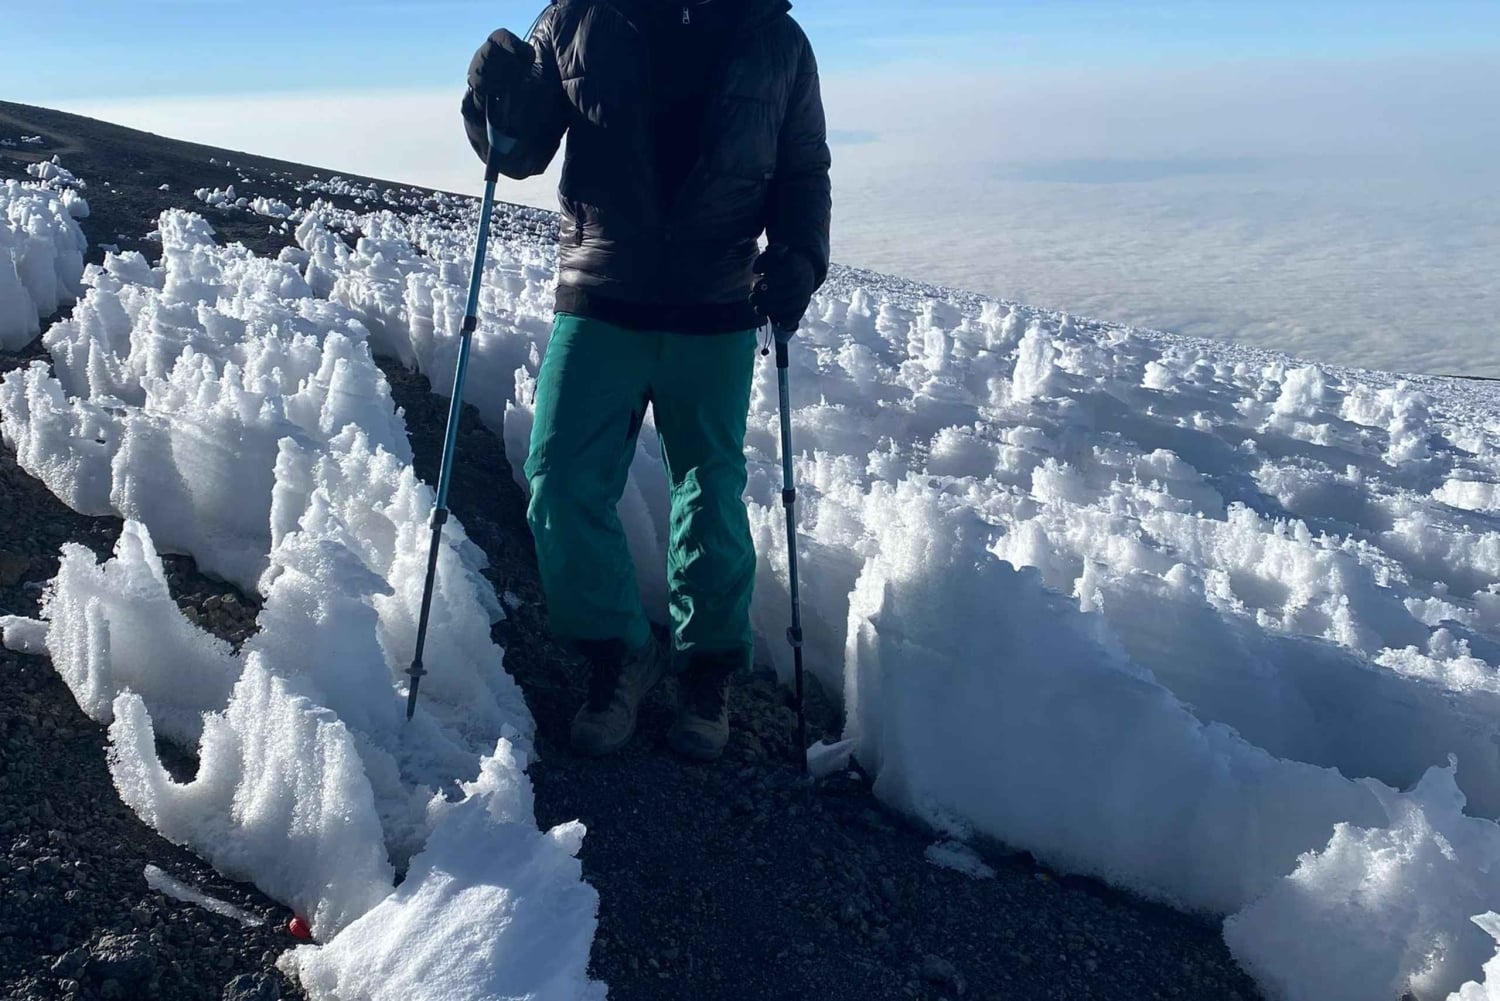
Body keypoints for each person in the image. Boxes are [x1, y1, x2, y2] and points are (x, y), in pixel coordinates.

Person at [461, 0, 831, 762]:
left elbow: (803, 170)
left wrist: (800, 255)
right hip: (602, 291)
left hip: (719, 300)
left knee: (711, 491)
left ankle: (707, 672)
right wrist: (487, 96)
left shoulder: (777, 40)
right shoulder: (574, 17)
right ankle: (620, 652)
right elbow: (517, 146)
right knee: (560, 481)